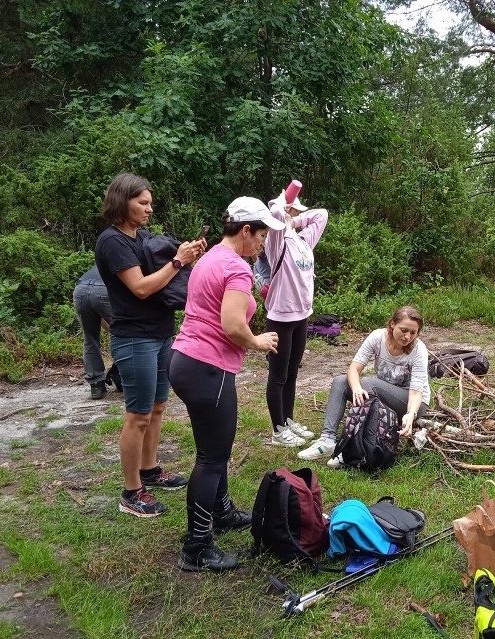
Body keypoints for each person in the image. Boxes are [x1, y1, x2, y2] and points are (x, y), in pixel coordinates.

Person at [168, 196, 283, 571]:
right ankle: (197, 547)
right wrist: (258, 341)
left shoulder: (210, 258)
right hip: (208, 367)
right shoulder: (236, 267)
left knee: (210, 451)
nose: (263, 244)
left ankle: (221, 511)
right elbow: (233, 326)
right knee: (212, 458)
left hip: (186, 360)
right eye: (262, 235)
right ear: (245, 230)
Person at [95, 173, 206, 518]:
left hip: (159, 332)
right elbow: (141, 287)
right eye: (142, 202)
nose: (149, 208)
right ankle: (131, 492)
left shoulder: (142, 237)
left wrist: (188, 254)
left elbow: (167, 278)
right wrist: (179, 261)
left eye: (150, 202)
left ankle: (150, 469)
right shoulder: (112, 242)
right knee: (138, 415)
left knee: (157, 407)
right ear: (121, 201)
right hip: (133, 337)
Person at [298, 306, 430, 465]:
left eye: (413, 333)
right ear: (392, 324)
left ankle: (352, 448)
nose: (407, 336)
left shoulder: (418, 350)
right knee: (340, 382)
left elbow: (416, 392)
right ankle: (327, 439)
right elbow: (354, 368)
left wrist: (411, 414)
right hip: (383, 394)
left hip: (412, 402)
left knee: (368, 383)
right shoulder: (377, 337)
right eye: (403, 330)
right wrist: (355, 389)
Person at [263, 190, 328, 446]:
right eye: (294, 211)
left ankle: (287, 420)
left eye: (298, 212)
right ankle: (278, 431)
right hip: (281, 317)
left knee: (292, 373)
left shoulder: (303, 241)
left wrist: (296, 220)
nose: (297, 215)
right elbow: (276, 213)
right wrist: (285, 203)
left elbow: (322, 215)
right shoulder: (277, 241)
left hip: (302, 316)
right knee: (277, 376)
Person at [72, 265, 113, 399]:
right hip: (105, 288)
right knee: (127, 335)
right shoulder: (131, 261)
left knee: (90, 338)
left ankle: (96, 385)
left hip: (81, 289)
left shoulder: (104, 259)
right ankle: (124, 378)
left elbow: (98, 314)